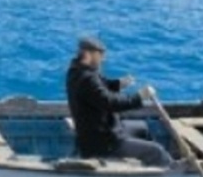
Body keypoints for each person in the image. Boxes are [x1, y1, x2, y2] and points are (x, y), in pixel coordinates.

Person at [65, 37, 173, 167]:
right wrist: (139, 97)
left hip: (99, 132)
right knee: (157, 152)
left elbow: (98, 88)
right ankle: (165, 174)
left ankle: (146, 167)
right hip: (104, 142)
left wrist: (118, 84)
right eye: (100, 55)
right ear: (88, 54)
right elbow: (110, 103)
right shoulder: (87, 78)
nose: (102, 59)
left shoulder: (78, 71)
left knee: (142, 128)